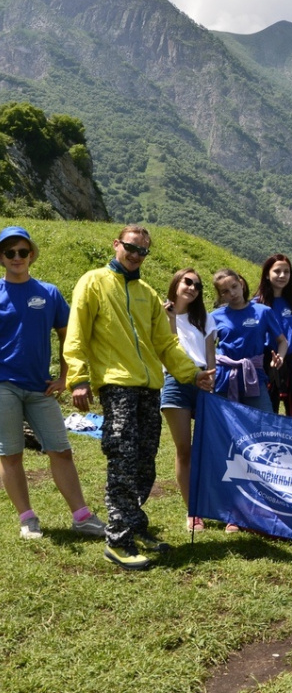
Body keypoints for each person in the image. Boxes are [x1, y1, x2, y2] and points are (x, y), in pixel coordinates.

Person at [64, 225, 215, 570]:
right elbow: (76, 334)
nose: (136, 255)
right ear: (117, 244)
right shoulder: (93, 281)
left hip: (150, 388)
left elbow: (165, 345)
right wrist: (78, 379)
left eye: (143, 251)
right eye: (131, 248)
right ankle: (118, 541)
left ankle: (134, 524)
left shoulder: (147, 293)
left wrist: (193, 374)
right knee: (123, 459)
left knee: (145, 459)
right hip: (116, 385)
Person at [0, 226, 105, 540]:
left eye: (22, 251)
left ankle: (81, 516)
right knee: (10, 454)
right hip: (3, 384)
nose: (17, 257)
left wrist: (65, 377)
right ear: (2, 258)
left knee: (61, 450)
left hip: (40, 387)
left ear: (31, 255)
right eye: (10, 253)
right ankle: (27, 518)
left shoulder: (49, 293)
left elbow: (67, 336)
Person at [161, 268, 216, 533]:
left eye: (197, 285)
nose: (192, 287)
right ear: (176, 282)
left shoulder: (204, 318)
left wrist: (212, 382)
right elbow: (168, 349)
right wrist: (170, 319)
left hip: (203, 380)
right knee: (184, 448)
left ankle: (213, 504)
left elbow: (210, 354)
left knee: (206, 448)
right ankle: (192, 512)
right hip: (174, 381)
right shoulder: (159, 312)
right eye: (188, 281)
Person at [210, 268, 288, 412]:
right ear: (221, 295)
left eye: (234, 286)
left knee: (264, 422)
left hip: (254, 375)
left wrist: (280, 358)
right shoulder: (214, 317)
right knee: (225, 425)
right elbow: (207, 348)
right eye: (225, 291)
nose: (232, 293)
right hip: (224, 376)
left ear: (241, 284)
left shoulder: (263, 311)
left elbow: (282, 341)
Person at [254, 254, 292, 418]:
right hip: (266, 364)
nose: (282, 276)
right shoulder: (256, 305)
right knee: (266, 413)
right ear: (267, 274)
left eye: (286, 272)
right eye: (277, 271)